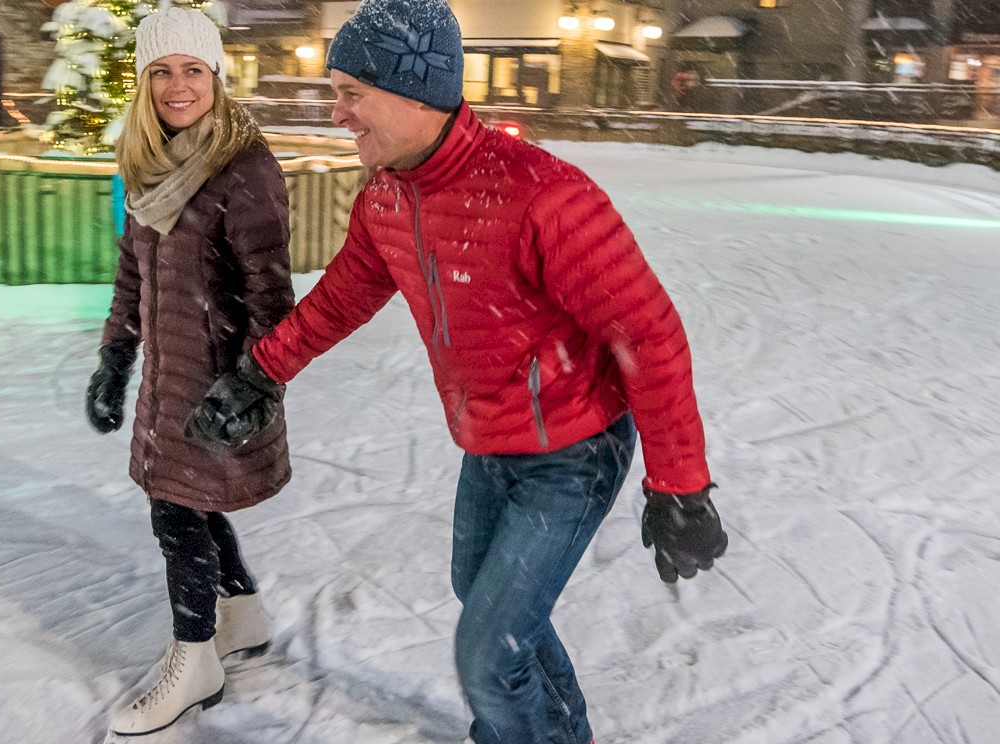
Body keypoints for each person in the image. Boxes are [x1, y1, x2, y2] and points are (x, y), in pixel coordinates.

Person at [187, 1, 730, 742]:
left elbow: (650, 336)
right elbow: (345, 295)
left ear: (416, 94)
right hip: (490, 440)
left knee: (487, 651)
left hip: (574, 449)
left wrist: (681, 489)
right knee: (485, 605)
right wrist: (261, 374)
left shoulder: (545, 195)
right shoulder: (388, 193)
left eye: (352, 93)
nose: (337, 113)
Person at [84, 6, 296, 737]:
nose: (179, 86)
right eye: (163, 71)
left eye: (194, 70)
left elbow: (274, 297)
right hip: (166, 379)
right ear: (145, 81)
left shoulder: (244, 168)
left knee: (176, 511)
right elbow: (131, 273)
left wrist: (256, 384)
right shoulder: (149, 161)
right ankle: (241, 614)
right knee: (186, 503)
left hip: (218, 385)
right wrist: (116, 355)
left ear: (216, 75)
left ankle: (195, 656)